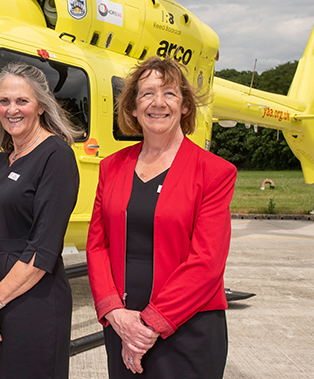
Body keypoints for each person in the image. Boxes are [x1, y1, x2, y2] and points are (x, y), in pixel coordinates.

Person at [86, 57, 237, 378]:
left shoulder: (214, 172)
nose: (158, 103)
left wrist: (149, 325)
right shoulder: (111, 168)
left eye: (169, 94)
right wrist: (115, 313)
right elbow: (97, 246)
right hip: (122, 327)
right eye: (147, 94)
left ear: (185, 106)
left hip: (187, 331)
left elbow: (207, 262)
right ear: (133, 108)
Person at [0, 62, 81, 379]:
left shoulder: (56, 155)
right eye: (4, 101)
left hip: (33, 301)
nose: (12, 109)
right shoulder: (1, 160)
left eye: (22, 101)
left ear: (40, 106)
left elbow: (43, 250)